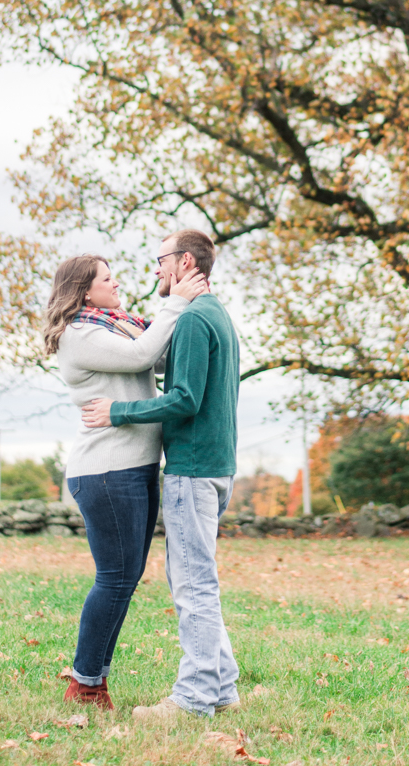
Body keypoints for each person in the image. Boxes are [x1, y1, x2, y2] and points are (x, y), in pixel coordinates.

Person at [82, 229, 240, 720]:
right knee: (200, 580)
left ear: (184, 262)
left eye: (160, 260)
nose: (155, 270)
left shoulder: (194, 319)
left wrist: (118, 412)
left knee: (192, 586)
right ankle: (224, 689)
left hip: (193, 470)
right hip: (219, 468)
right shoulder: (218, 315)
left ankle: (193, 700)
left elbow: (186, 399)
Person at [47, 252, 208, 710]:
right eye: (107, 278)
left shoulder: (115, 326)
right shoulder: (79, 335)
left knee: (125, 578)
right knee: (115, 578)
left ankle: (93, 677)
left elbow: (155, 362)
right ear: (83, 291)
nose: (116, 284)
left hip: (134, 466)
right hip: (105, 470)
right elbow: (143, 353)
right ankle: (85, 683)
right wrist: (175, 303)